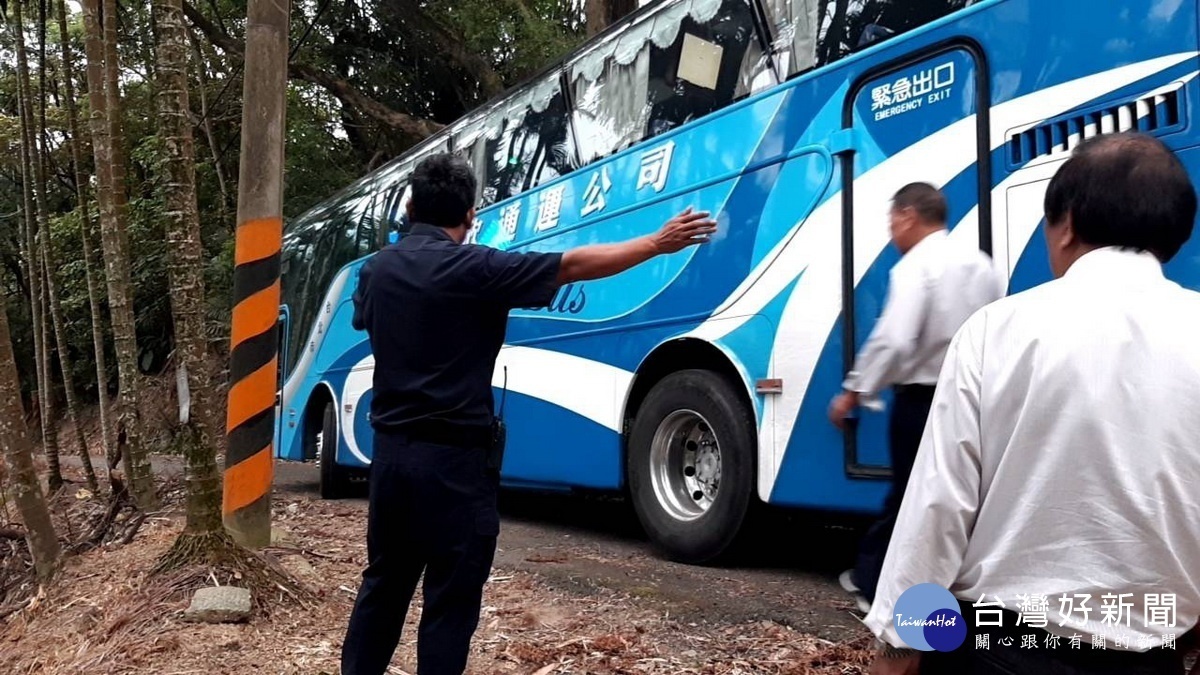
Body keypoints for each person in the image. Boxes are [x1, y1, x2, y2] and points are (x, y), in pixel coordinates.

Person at [340, 153, 717, 675]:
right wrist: (657, 242)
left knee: (384, 583)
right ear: (469, 214)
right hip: (455, 464)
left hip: (391, 460)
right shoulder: (478, 268)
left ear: (410, 206)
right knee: (449, 602)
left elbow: (363, 320)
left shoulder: (376, 271)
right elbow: (575, 264)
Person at [863, 132, 1200, 675]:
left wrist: (898, 650)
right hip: (1152, 654)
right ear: (1173, 235)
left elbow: (937, 513)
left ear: (1065, 222)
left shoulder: (999, 330)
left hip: (998, 651)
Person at [829, 183, 1004, 612]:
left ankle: (875, 588)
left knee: (909, 494)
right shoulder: (982, 265)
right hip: (975, 398)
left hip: (922, 400)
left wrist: (853, 392)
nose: (891, 231)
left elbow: (894, 339)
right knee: (961, 495)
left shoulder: (914, 267)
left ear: (908, 215)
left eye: (892, 220)